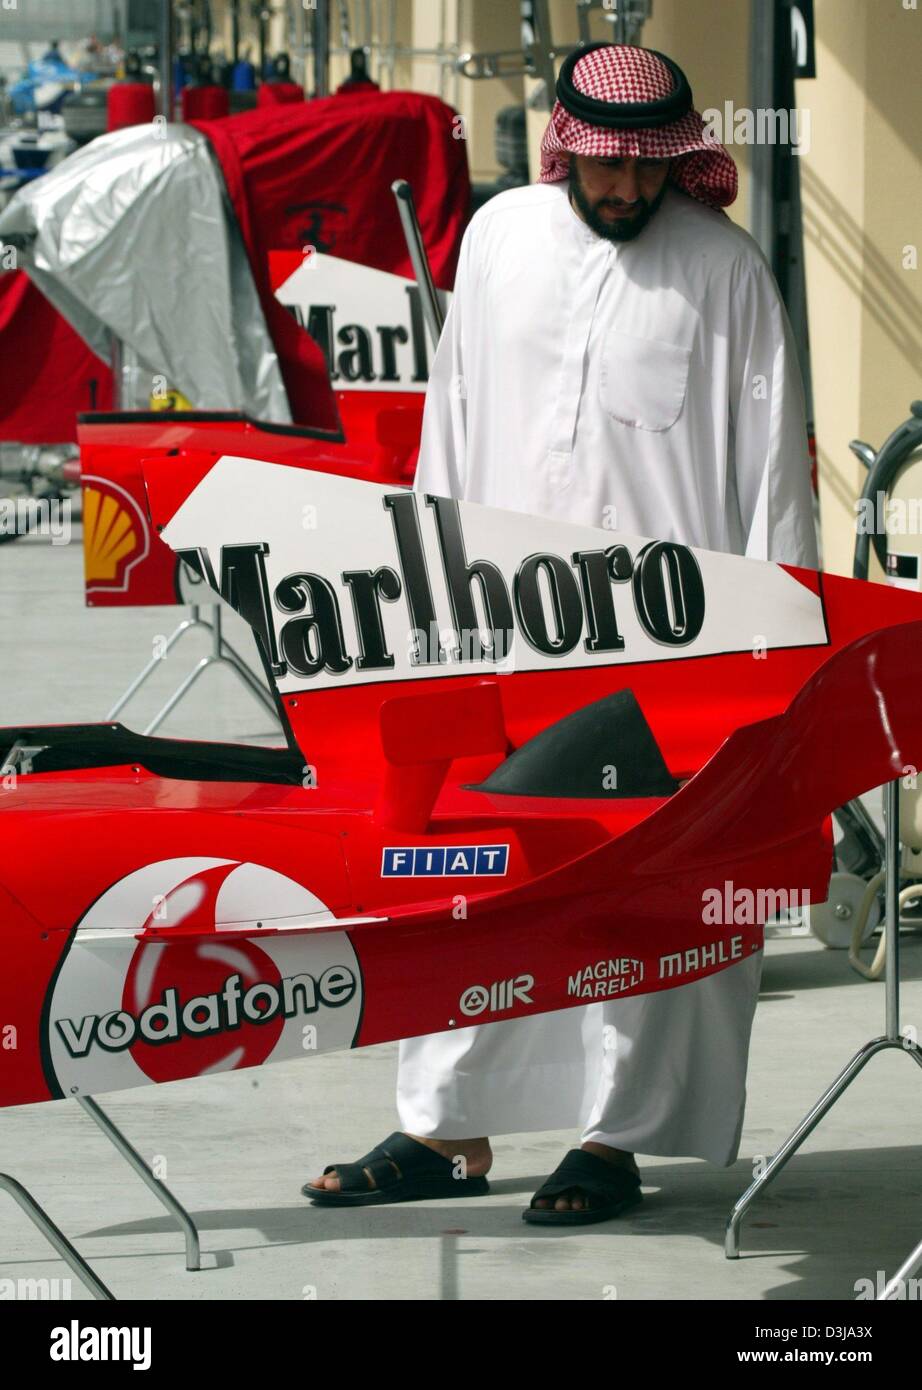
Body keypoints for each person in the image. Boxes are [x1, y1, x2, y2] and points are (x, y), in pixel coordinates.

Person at [305, 41, 818, 1224]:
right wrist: (420, 600)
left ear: (676, 157)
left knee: (642, 894)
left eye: (646, 170)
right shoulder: (497, 241)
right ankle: (443, 1127)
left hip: (669, 657)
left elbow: (770, 487)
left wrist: (771, 663)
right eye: (605, 170)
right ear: (566, 149)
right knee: (471, 878)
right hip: (500, 634)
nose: (625, 192)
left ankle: (613, 1138)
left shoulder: (727, 274)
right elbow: (454, 423)